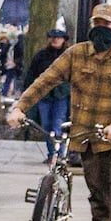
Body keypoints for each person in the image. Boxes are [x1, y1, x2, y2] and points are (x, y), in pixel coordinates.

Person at [7, 4, 111, 221]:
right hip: (87, 136)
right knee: (97, 191)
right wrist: (20, 107)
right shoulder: (76, 54)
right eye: (97, 23)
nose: (101, 29)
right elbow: (45, 80)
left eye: (106, 24)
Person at [22, 29, 72, 159]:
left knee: (57, 123)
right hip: (44, 95)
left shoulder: (68, 56)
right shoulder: (41, 56)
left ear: (64, 40)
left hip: (61, 95)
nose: (55, 40)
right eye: (52, 37)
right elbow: (31, 74)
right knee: (46, 125)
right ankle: (52, 154)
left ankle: (58, 154)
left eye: (58, 38)